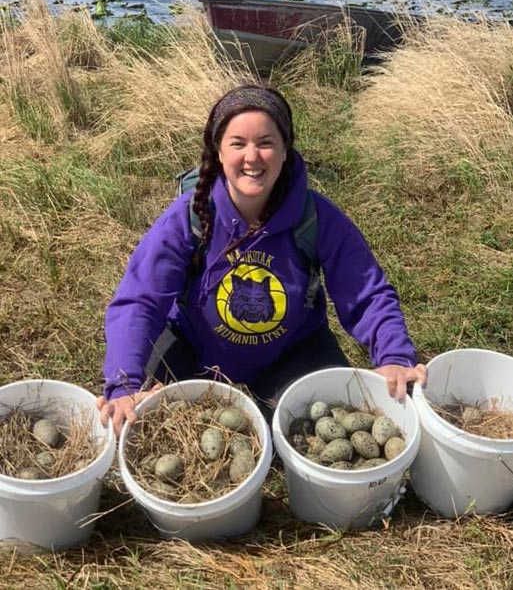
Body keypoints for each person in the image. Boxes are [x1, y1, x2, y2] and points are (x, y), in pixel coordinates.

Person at [97, 84, 427, 435]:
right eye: (238, 143)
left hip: (290, 351)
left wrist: (394, 357)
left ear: (285, 150)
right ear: (219, 152)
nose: (252, 157)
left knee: (326, 433)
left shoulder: (315, 218)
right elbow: (140, 300)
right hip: (192, 348)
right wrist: (124, 383)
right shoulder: (187, 217)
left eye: (266, 143)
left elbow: (367, 292)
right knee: (153, 429)